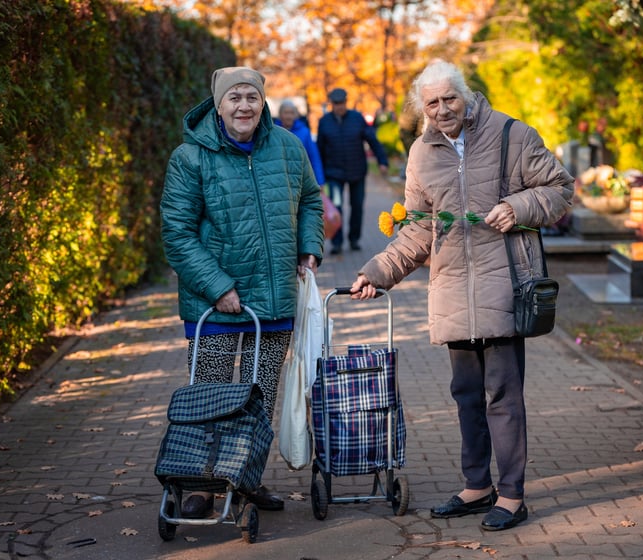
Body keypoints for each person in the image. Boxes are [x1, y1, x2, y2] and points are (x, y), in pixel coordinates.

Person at [350, 61, 573, 531]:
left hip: (506, 286)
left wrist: (517, 206)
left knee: (502, 395)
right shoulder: (421, 154)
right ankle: (477, 487)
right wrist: (377, 272)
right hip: (452, 291)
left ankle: (512, 495)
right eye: (431, 102)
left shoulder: (511, 134)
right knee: (466, 394)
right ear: (421, 108)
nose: (442, 109)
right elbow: (417, 233)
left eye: (449, 98)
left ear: (465, 94)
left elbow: (560, 190)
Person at [160, 66, 324, 518]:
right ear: (218, 104)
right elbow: (176, 233)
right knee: (210, 395)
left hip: (272, 301)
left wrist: (309, 247)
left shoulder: (288, 148)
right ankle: (201, 486)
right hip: (214, 306)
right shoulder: (190, 158)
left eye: (252, 96)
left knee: (259, 397)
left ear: (263, 101)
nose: (244, 106)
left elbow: (310, 198)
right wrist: (218, 288)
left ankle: (245, 478)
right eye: (234, 98)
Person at [317, 87, 389, 255]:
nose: (339, 106)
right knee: (337, 207)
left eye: (341, 103)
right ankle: (337, 242)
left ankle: (354, 239)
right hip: (333, 172)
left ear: (346, 102)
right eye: (335, 104)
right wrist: (318, 175)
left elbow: (372, 140)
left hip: (357, 170)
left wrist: (382, 161)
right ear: (331, 104)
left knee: (357, 206)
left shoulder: (357, 118)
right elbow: (319, 149)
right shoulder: (324, 122)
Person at [275, 99, 326, 185]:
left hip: (301, 179)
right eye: (286, 113)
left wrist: (319, 181)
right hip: (280, 180)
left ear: (296, 115)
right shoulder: (273, 132)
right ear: (280, 114)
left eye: (291, 113)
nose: (289, 116)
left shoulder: (305, 132)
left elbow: (314, 157)